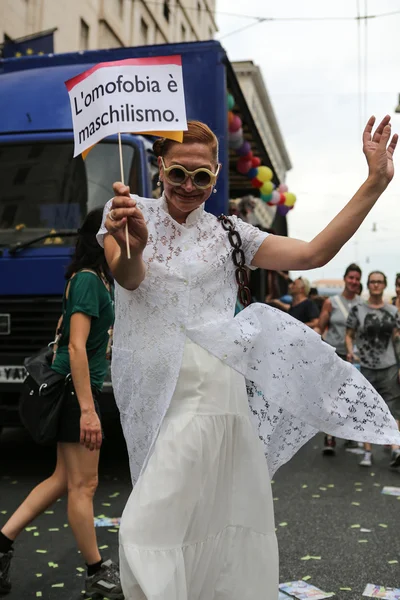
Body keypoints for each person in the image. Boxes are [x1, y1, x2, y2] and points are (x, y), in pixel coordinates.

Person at [99, 117, 399, 599]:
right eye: (179, 173)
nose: (189, 186)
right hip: (158, 393)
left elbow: (313, 253)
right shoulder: (125, 214)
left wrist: (375, 182)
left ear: (217, 175)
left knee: (195, 522)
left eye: (202, 176)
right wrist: (133, 242)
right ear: (160, 168)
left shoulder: (229, 233)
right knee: (153, 527)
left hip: (217, 394)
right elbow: (129, 276)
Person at [0, 209, 121, 599]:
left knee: (62, 480)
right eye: (117, 232)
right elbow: (76, 345)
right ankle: (97, 573)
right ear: (100, 238)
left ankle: (1, 543)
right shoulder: (88, 280)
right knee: (84, 485)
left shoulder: (100, 279)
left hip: (75, 390)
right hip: (75, 393)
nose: (126, 238)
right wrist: (88, 409)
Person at [346, 270, 400, 469]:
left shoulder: (393, 311)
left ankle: (395, 448)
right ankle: (367, 451)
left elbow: (397, 339)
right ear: (368, 285)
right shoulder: (358, 310)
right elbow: (349, 335)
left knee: (393, 408)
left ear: (384, 285)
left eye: (379, 282)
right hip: (365, 365)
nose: (376, 285)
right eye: (372, 282)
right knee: (365, 408)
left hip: (389, 365)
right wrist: (351, 352)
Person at [316, 263, 362, 454]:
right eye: (351, 277)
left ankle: (348, 434)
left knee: (350, 397)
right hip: (334, 353)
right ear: (345, 278)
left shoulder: (362, 304)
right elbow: (320, 326)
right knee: (332, 395)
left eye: (357, 279)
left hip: (355, 355)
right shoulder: (331, 302)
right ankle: (329, 436)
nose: (354, 281)